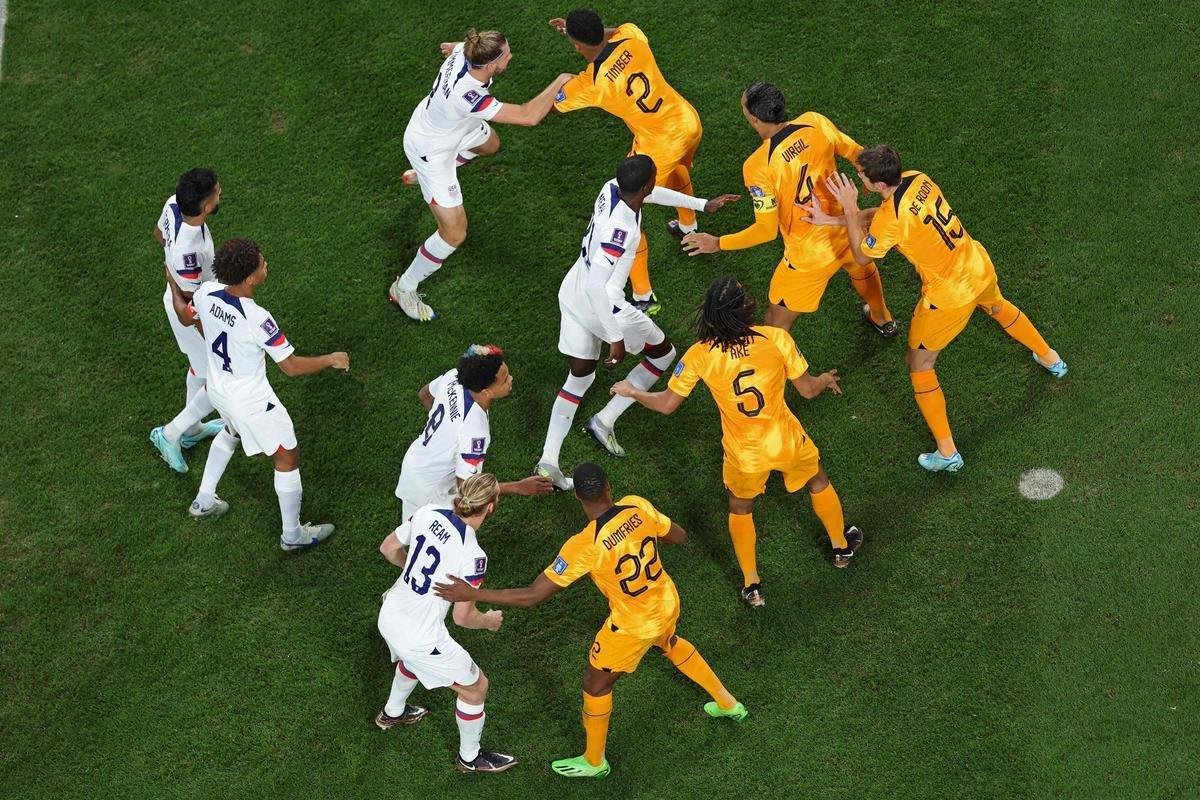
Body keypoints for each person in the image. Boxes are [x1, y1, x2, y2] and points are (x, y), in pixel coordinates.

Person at [435, 463, 747, 779]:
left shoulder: (585, 545)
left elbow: (531, 596)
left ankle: (595, 762)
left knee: (595, 684)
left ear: (579, 499)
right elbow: (677, 536)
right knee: (669, 642)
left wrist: (471, 592)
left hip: (631, 625)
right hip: (665, 600)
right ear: (608, 487)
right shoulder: (637, 505)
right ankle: (727, 703)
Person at [806, 146, 1068, 472]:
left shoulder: (892, 217)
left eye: (860, 175)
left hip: (948, 296)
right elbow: (880, 217)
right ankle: (1050, 358)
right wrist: (831, 219)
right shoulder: (917, 179)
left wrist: (848, 208)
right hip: (976, 264)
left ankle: (947, 453)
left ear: (876, 183)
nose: (857, 178)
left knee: (919, 362)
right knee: (999, 308)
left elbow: (862, 255)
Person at [612, 277, 863, 608]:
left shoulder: (700, 355)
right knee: (817, 480)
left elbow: (667, 405)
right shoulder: (776, 339)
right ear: (744, 311)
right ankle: (841, 548)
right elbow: (807, 389)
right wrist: (824, 379)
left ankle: (752, 585)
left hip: (745, 454)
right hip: (785, 440)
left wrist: (633, 392)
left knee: (740, 508)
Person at [534, 155, 737, 489]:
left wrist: (702, 204)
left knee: (580, 377)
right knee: (663, 354)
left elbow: (652, 195)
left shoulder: (612, 188)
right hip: (604, 306)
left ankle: (548, 461)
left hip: (571, 292)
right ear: (645, 184)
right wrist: (614, 337)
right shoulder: (623, 229)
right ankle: (605, 420)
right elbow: (599, 286)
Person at [163, 237, 348, 549]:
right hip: (251, 402)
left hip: (219, 390)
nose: (266, 266)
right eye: (262, 264)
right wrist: (331, 359)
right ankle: (293, 536)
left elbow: (187, 317)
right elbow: (290, 366)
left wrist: (172, 285)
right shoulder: (257, 318)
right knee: (287, 456)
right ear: (250, 277)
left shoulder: (207, 293)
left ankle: (204, 499)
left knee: (232, 431)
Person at [680, 82, 896, 339]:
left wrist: (718, 242)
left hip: (808, 257)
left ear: (754, 118)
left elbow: (766, 230)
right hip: (847, 226)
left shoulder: (758, 166)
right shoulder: (815, 122)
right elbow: (860, 157)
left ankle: (774, 370)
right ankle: (883, 318)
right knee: (862, 267)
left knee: (775, 321)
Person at [389, 29, 574, 321]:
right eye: (506, 55)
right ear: (489, 65)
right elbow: (528, 116)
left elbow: (452, 48)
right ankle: (404, 287)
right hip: (432, 150)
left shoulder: (469, 50)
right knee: (454, 233)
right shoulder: (469, 95)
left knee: (490, 144)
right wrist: (561, 80)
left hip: (450, 124)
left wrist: (450, 47)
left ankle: (425, 179)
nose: (511, 56)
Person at [548, 9, 704, 315]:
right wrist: (581, 31)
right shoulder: (632, 37)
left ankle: (643, 296)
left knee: (625, 215)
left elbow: (557, 103)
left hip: (658, 145)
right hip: (688, 121)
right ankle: (689, 226)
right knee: (677, 169)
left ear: (577, 46)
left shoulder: (592, 83)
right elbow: (614, 31)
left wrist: (564, 73)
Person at [376, 473, 516, 774]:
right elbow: (463, 617)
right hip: (419, 637)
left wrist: (412, 568)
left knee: (413, 660)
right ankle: (469, 758)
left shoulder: (427, 512)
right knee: (476, 687)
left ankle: (392, 713)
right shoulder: (473, 555)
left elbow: (388, 548)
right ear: (490, 508)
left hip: (389, 615)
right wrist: (490, 621)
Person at [395, 344, 552, 520]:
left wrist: (447, 431)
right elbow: (468, 489)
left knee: (408, 534)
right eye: (505, 379)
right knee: (426, 538)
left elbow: (425, 394)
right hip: (430, 491)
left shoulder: (454, 376)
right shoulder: (474, 430)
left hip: (417, 463)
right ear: (485, 392)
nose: (511, 379)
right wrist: (518, 486)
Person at [148, 168, 227, 473]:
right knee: (217, 379)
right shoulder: (188, 252)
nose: (220, 193)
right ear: (206, 206)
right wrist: (215, 330)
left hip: (187, 298)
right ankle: (169, 434)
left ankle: (192, 430)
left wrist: (169, 269)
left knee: (199, 367)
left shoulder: (173, 203)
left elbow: (158, 235)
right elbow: (189, 302)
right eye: (217, 192)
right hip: (191, 312)